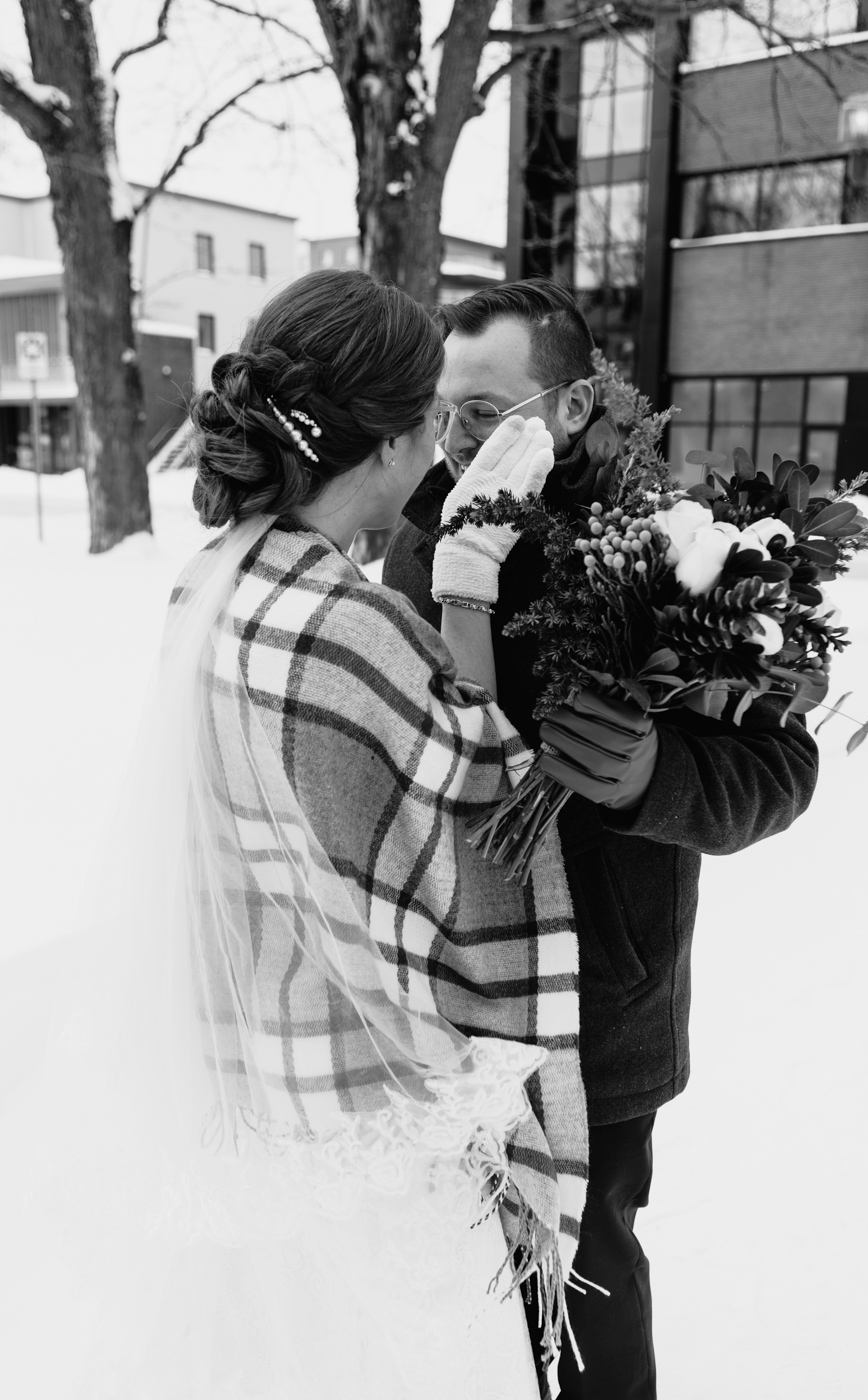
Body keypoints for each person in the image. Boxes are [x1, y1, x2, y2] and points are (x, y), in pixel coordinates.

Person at [0, 271, 588, 1400]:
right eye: (429, 419)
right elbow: (488, 819)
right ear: (381, 446)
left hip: (245, 1079)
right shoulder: (352, 629)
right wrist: (465, 581)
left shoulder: (209, 581)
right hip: (358, 1119)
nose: (441, 444)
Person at [382, 278, 820, 1400]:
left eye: (484, 413)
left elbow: (781, 767)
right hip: (459, 992)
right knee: (463, 1282)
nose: (454, 438)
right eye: (443, 410)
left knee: (590, 1282)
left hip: (605, 1005)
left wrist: (652, 774)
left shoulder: (681, 548)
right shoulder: (424, 533)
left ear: (570, 405)